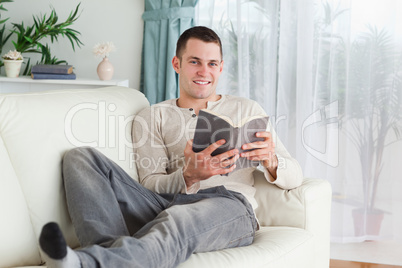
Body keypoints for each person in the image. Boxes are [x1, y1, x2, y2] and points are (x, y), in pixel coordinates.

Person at [39, 26, 303, 268]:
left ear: (221, 67)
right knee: (80, 158)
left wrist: (272, 161)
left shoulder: (247, 109)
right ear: (177, 64)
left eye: (212, 63)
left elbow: (296, 176)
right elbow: (151, 183)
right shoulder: (152, 116)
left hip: (229, 205)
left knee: (179, 220)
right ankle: (108, 254)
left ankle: (86, 263)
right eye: (195, 62)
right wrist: (189, 175)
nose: (204, 71)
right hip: (165, 203)